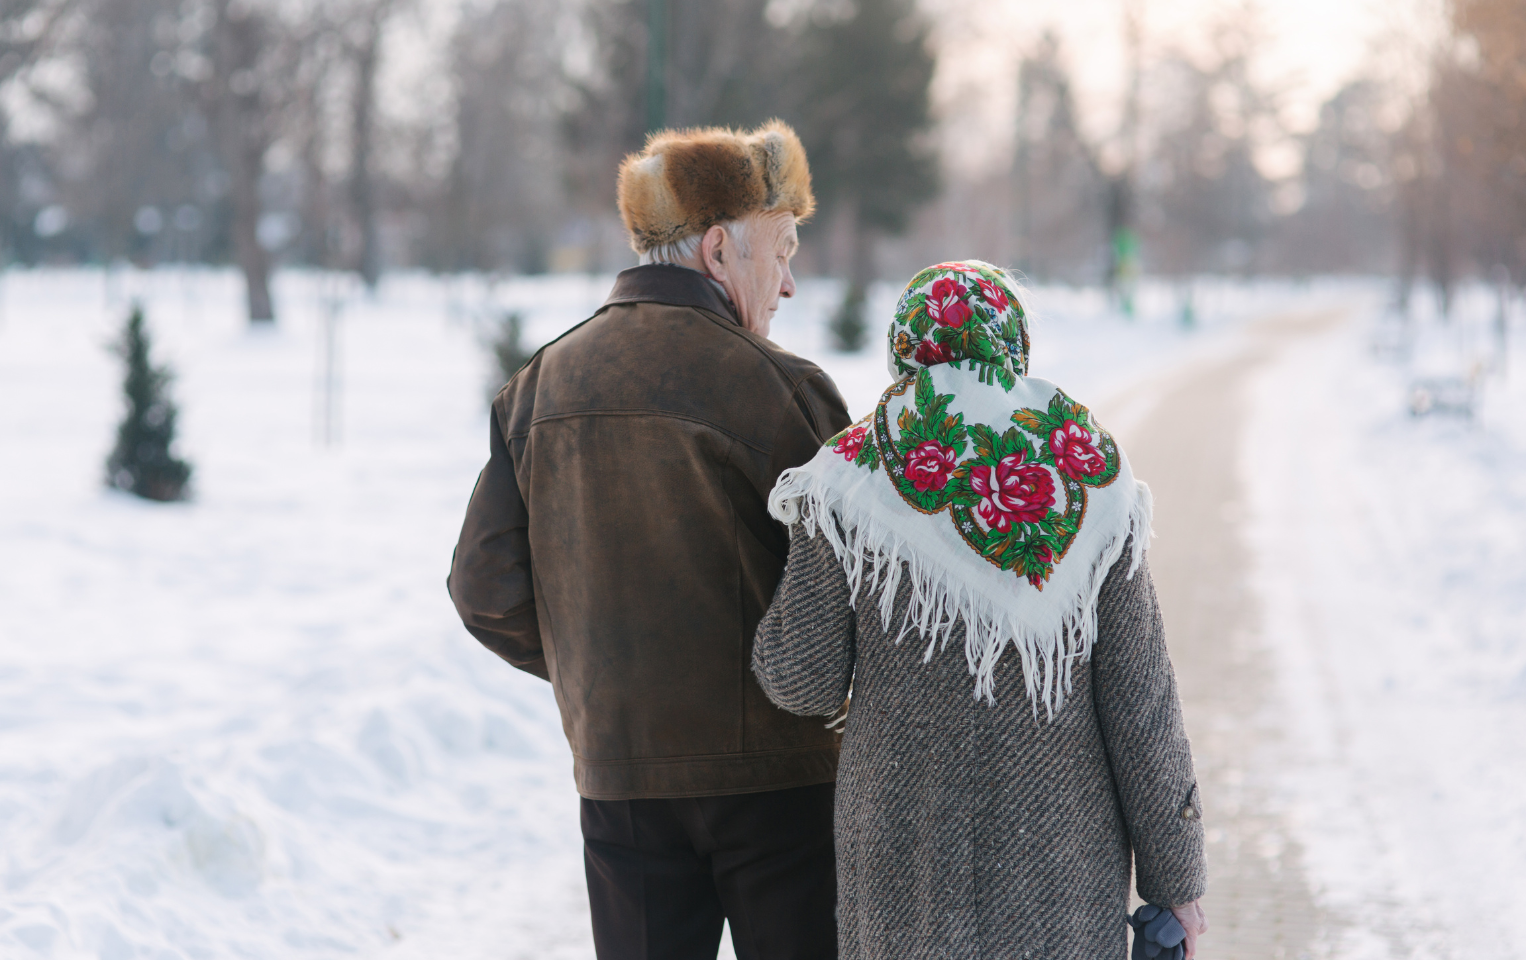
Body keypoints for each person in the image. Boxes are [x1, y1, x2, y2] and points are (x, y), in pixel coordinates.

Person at [448, 121, 850, 960]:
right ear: (716, 250)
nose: (789, 284)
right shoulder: (782, 390)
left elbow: (484, 586)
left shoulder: (539, 384)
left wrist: (606, 670)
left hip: (621, 775)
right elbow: (853, 593)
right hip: (782, 784)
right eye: (783, 251)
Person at [752, 261, 1209, 959]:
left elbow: (803, 679)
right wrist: (1176, 875)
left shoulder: (848, 475)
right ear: (1012, 344)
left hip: (904, 858)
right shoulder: (1085, 470)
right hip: (1058, 861)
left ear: (904, 349)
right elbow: (1139, 701)